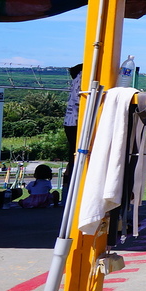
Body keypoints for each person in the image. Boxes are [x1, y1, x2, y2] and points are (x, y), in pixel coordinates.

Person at [62, 63, 83, 201]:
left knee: (73, 155)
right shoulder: (83, 78)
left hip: (70, 122)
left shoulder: (76, 80)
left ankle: (68, 193)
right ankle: (73, 192)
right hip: (77, 122)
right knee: (79, 155)